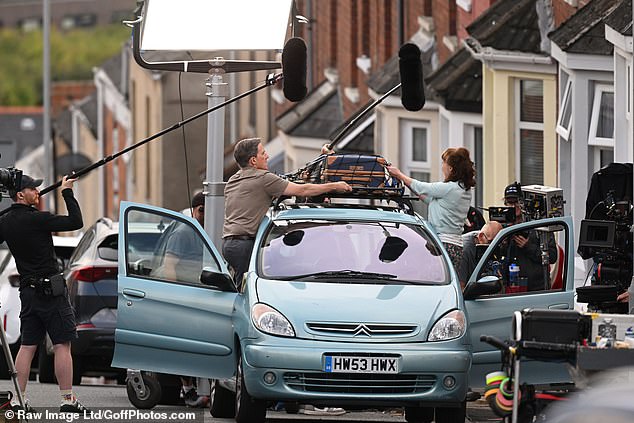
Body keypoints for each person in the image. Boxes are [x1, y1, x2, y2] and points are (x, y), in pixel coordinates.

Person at [0, 174, 87, 413]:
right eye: (32, 189)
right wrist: (67, 191)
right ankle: (67, 400)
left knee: (27, 346)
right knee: (62, 344)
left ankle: (19, 400)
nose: (37, 192)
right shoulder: (39, 219)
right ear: (20, 194)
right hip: (51, 292)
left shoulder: (6, 222)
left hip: (28, 293)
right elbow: (75, 221)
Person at [222, 137, 352, 287]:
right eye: (263, 153)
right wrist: (334, 186)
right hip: (244, 246)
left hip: (228, 244)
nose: (267, 156)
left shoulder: (234, 180)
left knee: (241, 286)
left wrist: (322, 158)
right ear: (253, 161)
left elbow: (294, 177)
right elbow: (302, 189)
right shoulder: (264, 179)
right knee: (251, 290)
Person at [387, 147, 476, 270]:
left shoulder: (449, 188)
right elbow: (430, 199)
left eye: (444, 162)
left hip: (443, 245)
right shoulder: (462, 189)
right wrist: (412, 187)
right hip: (455, 246)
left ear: (451, 168)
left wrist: (398, 174)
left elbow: (422, 187)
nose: (442, 166)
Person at [502, 182, 557, 292]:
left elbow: (552, 256)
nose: (513, 206)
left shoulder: (539, 225)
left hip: (536, 288)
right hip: (510, 288)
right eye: (510, 202)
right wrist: (502, 243)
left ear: (524, 202)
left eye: (516, 202)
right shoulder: (501, 226)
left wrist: (528, 246)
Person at [458, 221, 503, 287]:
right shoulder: (464, 250)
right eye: (491, 243)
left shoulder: (483, 238)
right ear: (481, 237)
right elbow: (460, 287)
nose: (494, 248)